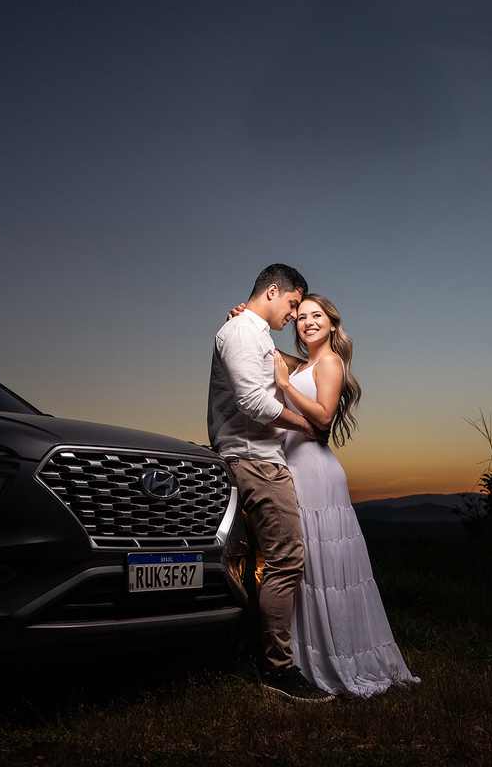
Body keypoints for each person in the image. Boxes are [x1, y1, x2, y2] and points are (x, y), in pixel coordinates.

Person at [231, 294, 419, 698]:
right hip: (292, 468)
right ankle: (300, 657)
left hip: (316, 471)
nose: (307, 322)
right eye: (300, 316)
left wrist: (284, 385)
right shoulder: (304, 363)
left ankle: (338, 655)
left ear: (332, 324)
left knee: (324, 567)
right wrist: (246, 318)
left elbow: (323, 416)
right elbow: (268, 350)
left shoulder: (331, 362)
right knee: (303, 568)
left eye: (316, 315)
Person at [209, 264, 333, 703]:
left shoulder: (253, 332)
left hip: (259, 458)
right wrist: (305, 425)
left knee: (257, 560)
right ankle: (278, 670)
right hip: (256, 460)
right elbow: (252, 401)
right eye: (294, 304)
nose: (295, 315)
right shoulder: (242, 331)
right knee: (286, 559)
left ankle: (251, 649)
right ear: (274, 291)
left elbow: (290, 369)